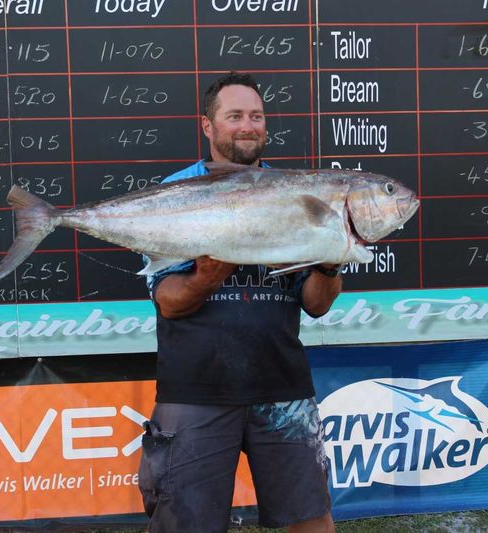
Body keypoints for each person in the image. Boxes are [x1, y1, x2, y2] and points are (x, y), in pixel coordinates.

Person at [137, 71, 341, 533]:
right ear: (208, 126)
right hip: (196, 388)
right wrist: (211, 271)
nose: (248, 126)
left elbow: (317, 305)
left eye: (256, 116)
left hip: (282, 386)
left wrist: (328, 266)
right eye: (234, 116)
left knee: (311, 518)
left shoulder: (299, 194)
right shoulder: (172, 195)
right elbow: (169, 303)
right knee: (184, 525)